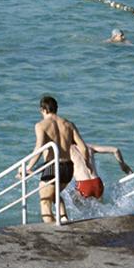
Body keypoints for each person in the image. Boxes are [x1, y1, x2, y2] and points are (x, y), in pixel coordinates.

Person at [24, 96, 87, 224]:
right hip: (69, 168)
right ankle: (63, 218)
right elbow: (83, 148)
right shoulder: (69, 124)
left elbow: (39, 147)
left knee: (45, 202)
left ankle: (54, 232)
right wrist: (88, 166)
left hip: (53, 167)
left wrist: (28, 167)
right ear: (56, 109)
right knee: (54, 194)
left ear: (43, 110)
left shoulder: (41, 125)